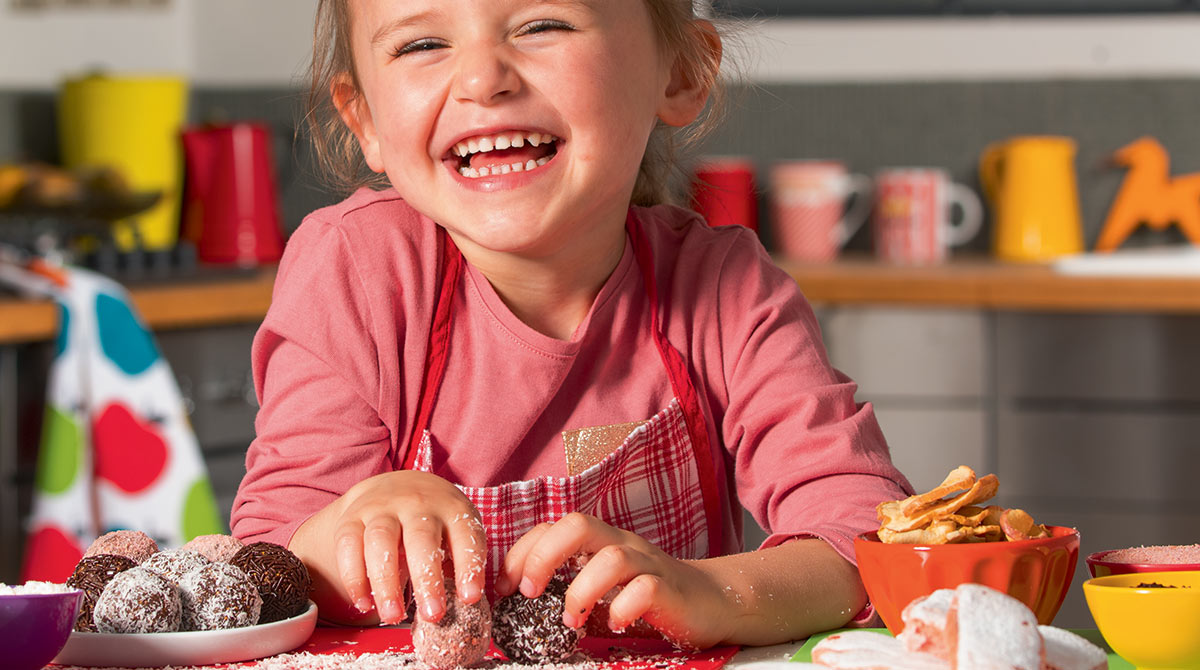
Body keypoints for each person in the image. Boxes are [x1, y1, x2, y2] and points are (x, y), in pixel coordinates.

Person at [231, 0, 913, 650]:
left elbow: (865, 541)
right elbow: (267, 565)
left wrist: (711, 594)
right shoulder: (355, 272)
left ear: (679, 73)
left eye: (542, 24)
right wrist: (353, 523)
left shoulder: (726, 290)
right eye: (422, 43)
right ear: (366, 120)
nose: (481, 78)